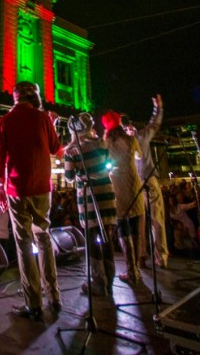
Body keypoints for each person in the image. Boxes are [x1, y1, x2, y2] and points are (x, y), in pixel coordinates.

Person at [0, 81, 62, 320]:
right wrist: (51, 124)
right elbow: (56, 149)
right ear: (34, 96)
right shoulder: (43, 118)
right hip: (43, 188)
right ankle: (54, 297)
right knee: (43, 238)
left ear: (15, 98)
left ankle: (33, 303)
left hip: (16, 188)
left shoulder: (4, 121)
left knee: (23, 245)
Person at [63, 112, 117, 298]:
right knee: (107, 235)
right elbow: (109, 165)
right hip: (107, 194)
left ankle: (97, 281)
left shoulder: (72, 151)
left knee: (92, 238)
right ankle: (110, 279)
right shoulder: (102, 144)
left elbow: (69, 177)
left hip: (88, 197)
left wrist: (79, 173)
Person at [103, 111, 145, 284]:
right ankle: (136, 269)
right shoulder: (130, 139)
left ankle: (131, 270)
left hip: (117, 186)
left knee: (122, 225)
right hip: (133, 184)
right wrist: (132, 136)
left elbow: (104, 165)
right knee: (135, 225)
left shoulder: (106, 142)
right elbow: (139, 156)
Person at [126, 95, 168, 269]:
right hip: (135, 183)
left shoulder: (141, 136)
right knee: (141, 221)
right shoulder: (125, 141)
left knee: (156, 220)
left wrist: (158, 109)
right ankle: (143, 255)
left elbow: (154, 124)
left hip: (147, 180)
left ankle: (160, 256)